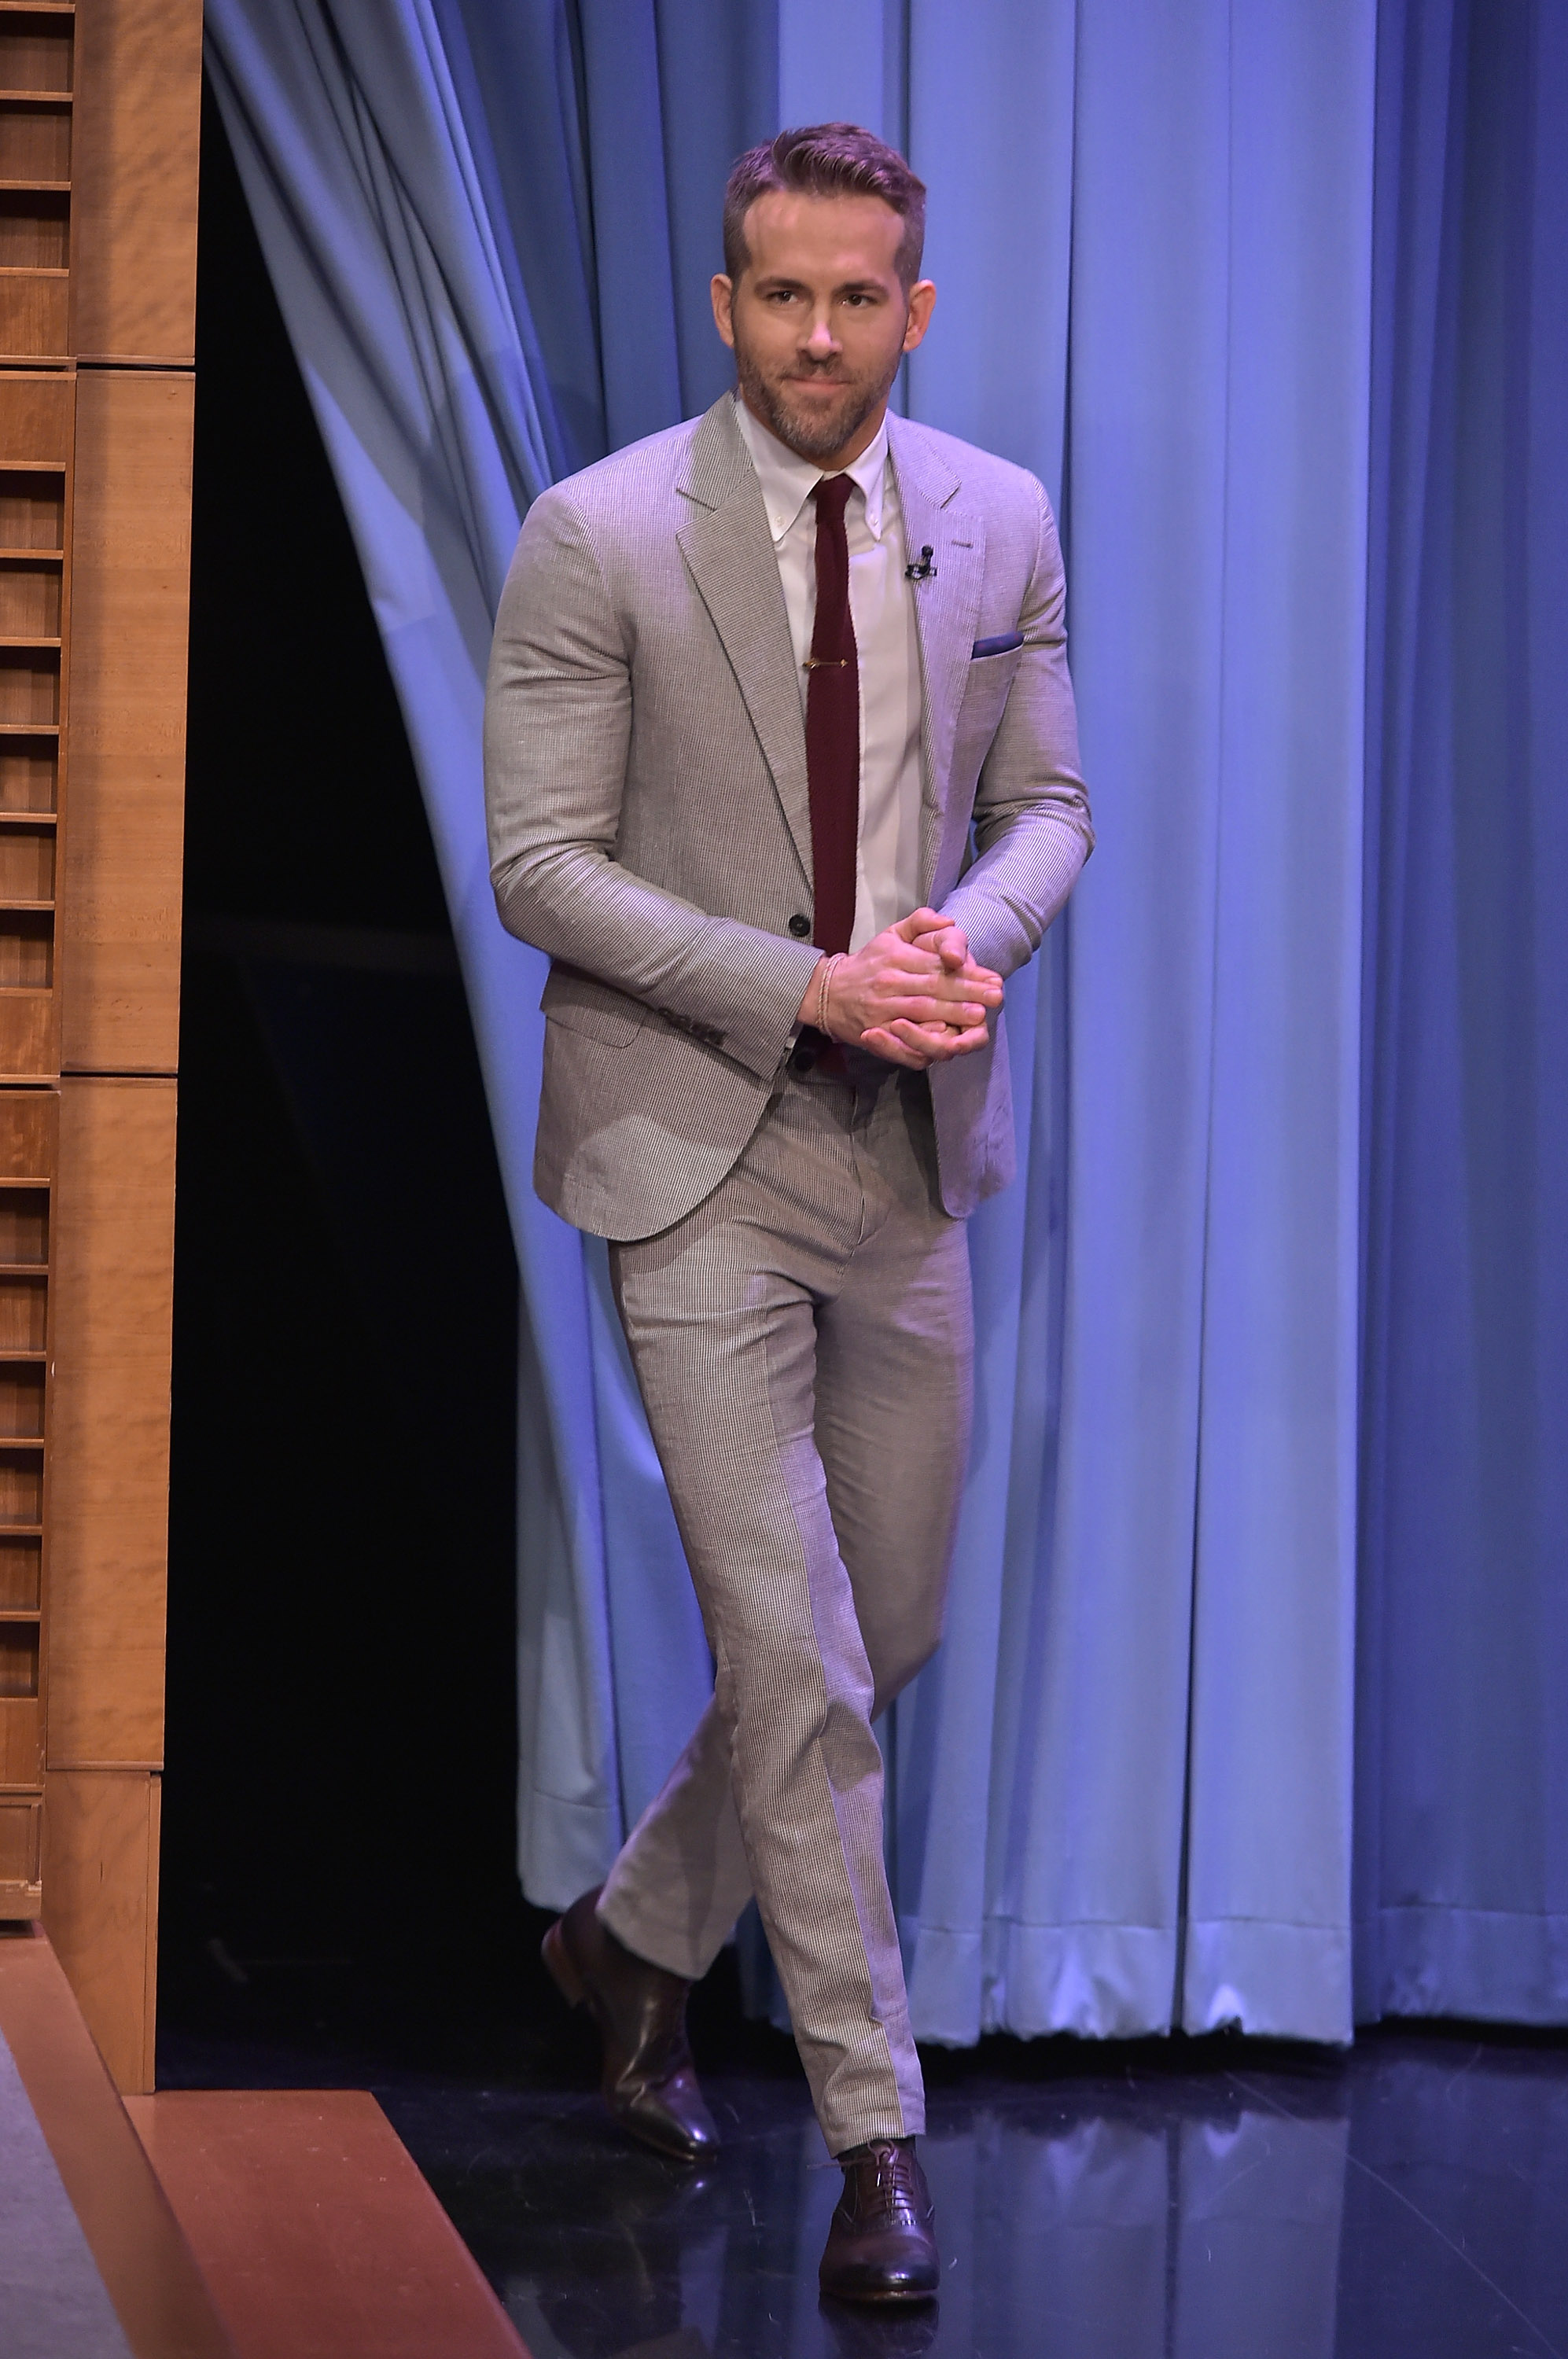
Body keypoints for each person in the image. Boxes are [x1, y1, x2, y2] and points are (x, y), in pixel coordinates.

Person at [484, 121, 1091, 2307]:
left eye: (855, 299)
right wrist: (804, 982)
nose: (815, 337)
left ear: (909, 310)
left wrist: (966, 944)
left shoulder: (996, 514)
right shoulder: (599, 531)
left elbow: (1047, 804)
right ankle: (873, 2140)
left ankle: (634, 1936)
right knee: (794, 1655)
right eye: (780, 295)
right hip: (691, 1153)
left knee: (884, 1625)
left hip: (901, 1154)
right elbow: (540, 866)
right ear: (724, 300)